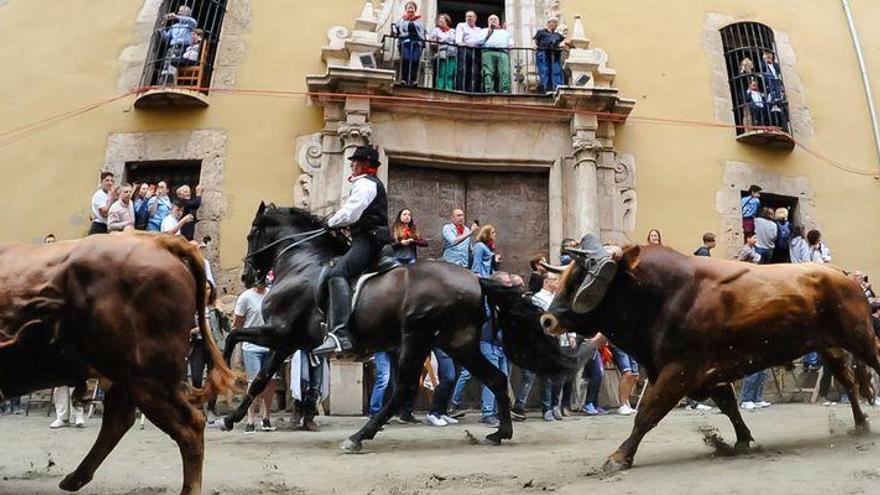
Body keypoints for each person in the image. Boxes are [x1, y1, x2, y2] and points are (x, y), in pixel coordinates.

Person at [313, 145, 391, 355]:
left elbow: (352, 212)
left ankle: (340, 334)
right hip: (368, 238)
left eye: (355, 162)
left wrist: (330, 222)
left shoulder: (365, 183)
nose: (352, 165)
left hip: (368, 240)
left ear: (365, 164)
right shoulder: (368, 183)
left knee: (338, 273)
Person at [234, 277, 276, 434]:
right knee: (253, 382)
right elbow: (238, 322)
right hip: (252, 346)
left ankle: (266, 417)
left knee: (270, 382)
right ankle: (250, 419)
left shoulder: (272, 294)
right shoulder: (245, 297)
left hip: (270, 345)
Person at [190, 281, 230, 423]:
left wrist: (222, 313)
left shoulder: (215, 307)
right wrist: (195, 331)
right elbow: (185, 328)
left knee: (213, 378)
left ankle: (212, 408)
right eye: (202, 288)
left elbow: (228, 328)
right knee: (196, 376)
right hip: (198, 345)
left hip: (214, 345)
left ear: (211, 290)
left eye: (208, 288)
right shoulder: (192, 307)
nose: (205, 291)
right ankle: (199, 408)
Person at [160, 5, 198, 82]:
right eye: (179, 11)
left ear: (187, 13)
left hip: (182, 47)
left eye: (181, 11)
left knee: (173, 62)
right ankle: (163, 81)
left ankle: (171, 80)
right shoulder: (174, 26)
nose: (178, 12)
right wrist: (162, 27)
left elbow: (193, 22)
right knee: (166, 64)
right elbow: (166, 38)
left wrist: (176, 16)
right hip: (172, 47)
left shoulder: (189, 24)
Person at [392, 1, 425, 86]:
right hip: (405, 42)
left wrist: (425, 39)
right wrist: (394, 31)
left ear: (415, 10)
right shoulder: (401, 20)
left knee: (415, 61)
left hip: (417, 43)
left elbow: (423, 32)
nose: (410, 9)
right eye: (409, 7)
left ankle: (413, 80)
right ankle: (404, 79)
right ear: (406, 10)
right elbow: (395, 27)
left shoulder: (419, 21)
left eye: (412, 7)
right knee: (406, 59)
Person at [480, 15, 513, 93]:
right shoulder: (483, 30)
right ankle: (489, 89)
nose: (493, 20)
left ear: (498, 22)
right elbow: (478, 42)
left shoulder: (505, 32)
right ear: (488, 22)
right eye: (491, 19)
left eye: (495, 19)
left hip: (502, 52)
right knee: (488, 72)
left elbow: (511, 44)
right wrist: (489, 33)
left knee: (504, 71)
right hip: (488, 52)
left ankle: (505, 90)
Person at [533, 17, 566, 92]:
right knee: (544, 70)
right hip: (543, 53)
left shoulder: (557, 35)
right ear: (549, 23)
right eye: (554, 23)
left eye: (556, 24)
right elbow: (535, 41)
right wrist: (534, 46)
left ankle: (557, 87)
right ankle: (545, 87)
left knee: (556, 71)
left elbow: (564, 40)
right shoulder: (541, 32)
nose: (555, 25)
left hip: (555, 54)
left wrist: (563, 44)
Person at [455, 10, 483, 92]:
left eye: (470, 16)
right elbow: (458, 39)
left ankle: (472, 90)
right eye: (467, 16)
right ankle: (461, 89)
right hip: (464, 49)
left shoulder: (479, 29)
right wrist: (462, 44)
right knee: (462, 69)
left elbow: (481, 40)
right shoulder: (461, 25)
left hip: (476, 51)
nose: (468, 18)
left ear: (475, 18)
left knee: (475, 71)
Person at [580, 333, 607, 416]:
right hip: (588, 345)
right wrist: (595, 340)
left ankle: (594, 404)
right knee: (597, 374)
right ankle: (588, 403)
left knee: (598, 374)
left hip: (594, 346)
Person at [430, 13, 457, 90]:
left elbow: (456, 41)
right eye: (439, 19)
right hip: (442, 53)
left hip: (452, 53)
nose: (440, 20)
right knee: (441, 73)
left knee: (450, 73)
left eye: (442, 19)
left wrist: (443, 41)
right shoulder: (436, 30)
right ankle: (440, 88)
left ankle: (448, 89)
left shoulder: (453, 31)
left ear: (446, 21)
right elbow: (432, 42)